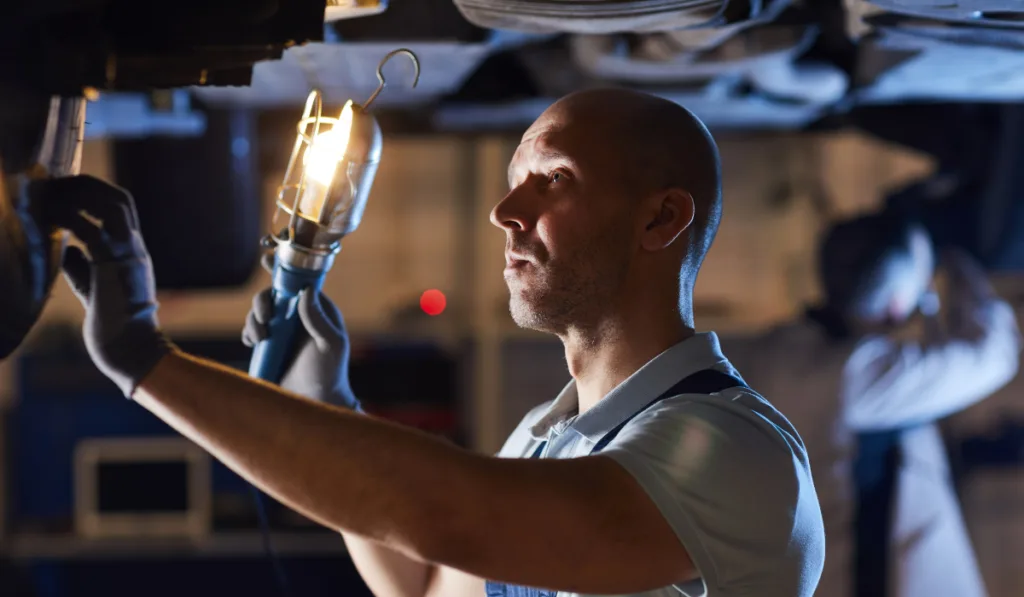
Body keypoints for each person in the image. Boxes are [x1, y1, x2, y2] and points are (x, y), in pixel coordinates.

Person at [38, 88, 825, 597]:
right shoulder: (543, 442)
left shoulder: (733, 451)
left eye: (552, 179)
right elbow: (421, 583)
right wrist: (333, 405)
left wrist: (150, 362)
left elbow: (450, 515)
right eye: (516, 177)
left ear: (661, 220)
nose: (505, 211)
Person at [720, 213, 1021, 597]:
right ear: (897, 301)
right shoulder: (856, 378)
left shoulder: (767, 357)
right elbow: (992, 355)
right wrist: (957, 260)